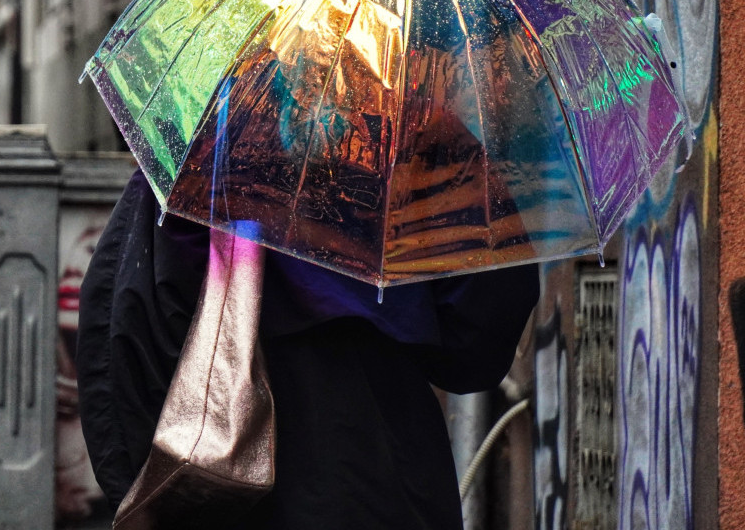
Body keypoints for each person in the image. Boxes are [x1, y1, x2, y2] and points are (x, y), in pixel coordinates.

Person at [75, 168, 541, 529]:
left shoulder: (204, 140)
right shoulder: (422, 137)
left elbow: (119, 333)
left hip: (217, 480)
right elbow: (477, 344)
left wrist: (146, 493)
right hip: (379, 466)